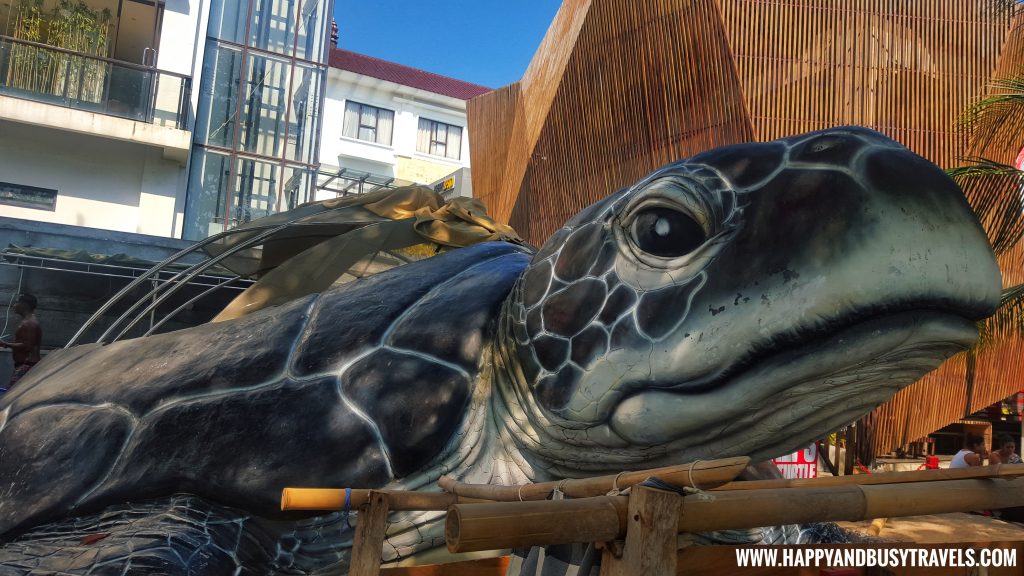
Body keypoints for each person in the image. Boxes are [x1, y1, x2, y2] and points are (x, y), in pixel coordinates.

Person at [0, 293, 42, 392]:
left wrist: (5, 344)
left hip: (26, 365)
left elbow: (27, 346)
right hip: (24, 365)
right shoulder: (28, 322)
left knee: (11, 396)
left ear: (24, 305)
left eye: (16, 303)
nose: (13, 305)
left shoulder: (29, 323)